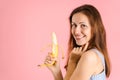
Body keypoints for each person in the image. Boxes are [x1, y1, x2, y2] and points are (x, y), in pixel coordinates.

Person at [44, 4, 111, 80]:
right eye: (74, 25)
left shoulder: (90, 57)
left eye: (83, 25)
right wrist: (56, 71)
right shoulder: (91, 54)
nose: (76, 31)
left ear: (95, 29)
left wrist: (72, 62)